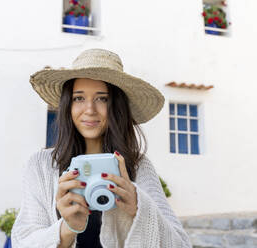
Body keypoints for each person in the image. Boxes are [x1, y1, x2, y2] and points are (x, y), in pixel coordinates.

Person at [11, 49, 192, 248]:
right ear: (68, 105)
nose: (90, 110)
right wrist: (68, 228)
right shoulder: (41, 165)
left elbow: (180, 244)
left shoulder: (138, 166)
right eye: (79, 98)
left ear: (117, 107)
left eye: (102, 98)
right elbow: (23, 242)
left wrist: (139, 207)